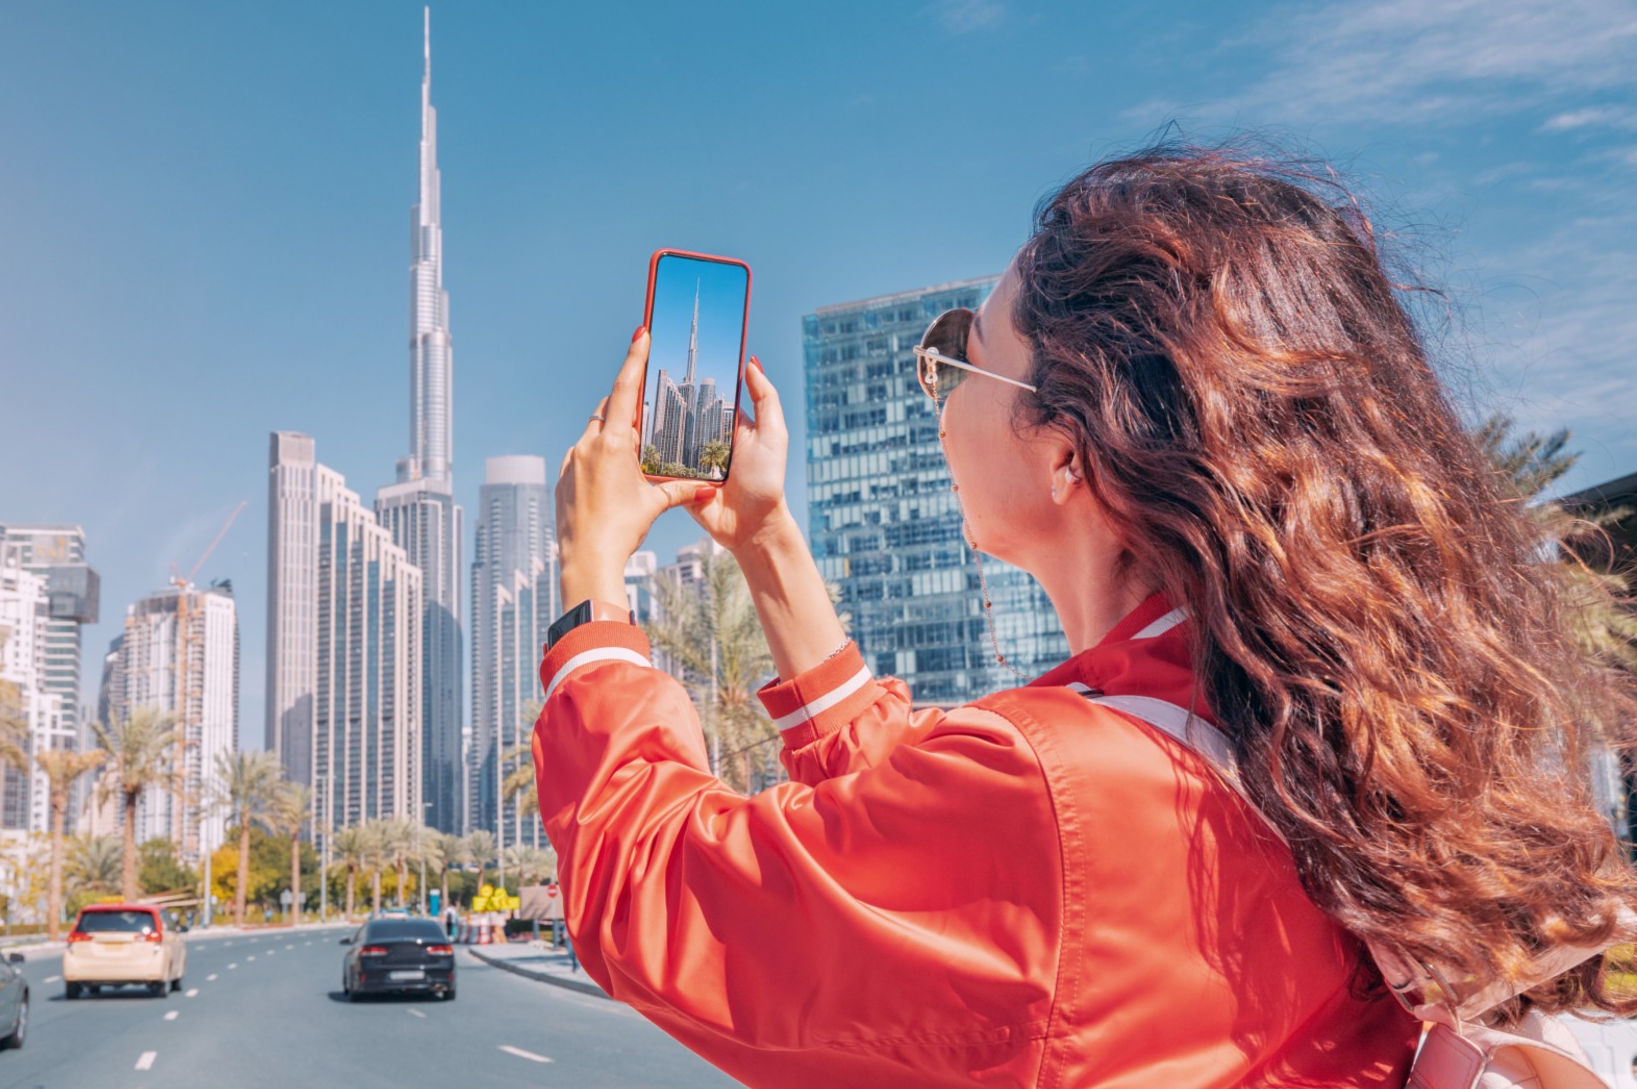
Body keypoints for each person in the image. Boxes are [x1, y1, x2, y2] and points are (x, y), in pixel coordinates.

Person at [535, 143, 1637, 1088]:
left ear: (1068, 450)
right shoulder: (1282, 726)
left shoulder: (1066, 799)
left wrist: (591, 579)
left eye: (964, 355)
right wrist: (768, 542)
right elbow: (930, 817)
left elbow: (658, 894)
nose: (938, 389)